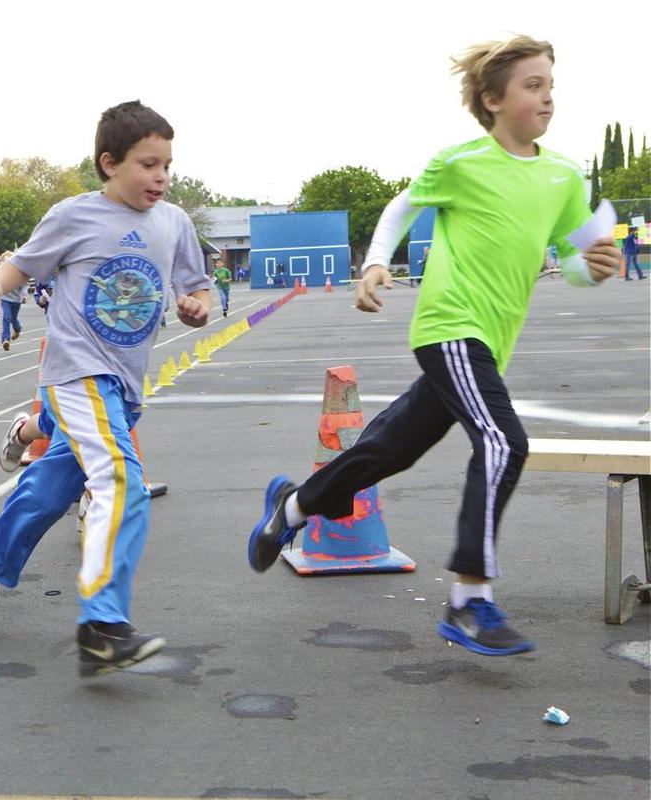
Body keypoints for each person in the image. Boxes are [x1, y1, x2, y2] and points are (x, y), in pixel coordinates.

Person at [247, 35, 621, 657]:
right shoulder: (461, 163)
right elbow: (402, 208)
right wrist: (374, 263)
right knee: (503, 442)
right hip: (448, 328)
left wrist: (595, 267)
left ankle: (291, 510)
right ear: (492, 99)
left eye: (551, 86)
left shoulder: (561, 176)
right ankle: (469, 601)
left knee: (391, 449)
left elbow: (576, 259)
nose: (547, 98)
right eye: (533, 86)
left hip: (489, 345)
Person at [0, 100, 211, 677]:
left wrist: (196, 305)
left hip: (123, 383)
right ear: (109, 163)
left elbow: (197, 285)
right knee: (121, 480)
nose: (161, 177)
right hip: (76, 373)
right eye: (147, 164)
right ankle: (101, 623)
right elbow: (25, 264)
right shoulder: (74, 216)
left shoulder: (174, 222)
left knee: (50, 490)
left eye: (167, 165)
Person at [0, 249, 24, 349]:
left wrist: (24, 295)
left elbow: (24, 284)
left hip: (16, 299)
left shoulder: (18, 271)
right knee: (7, 317)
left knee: (13, 319)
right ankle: (6, 339)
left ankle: (17, 329)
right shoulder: (1, 272)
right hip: (5, 299)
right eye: (4, 261)